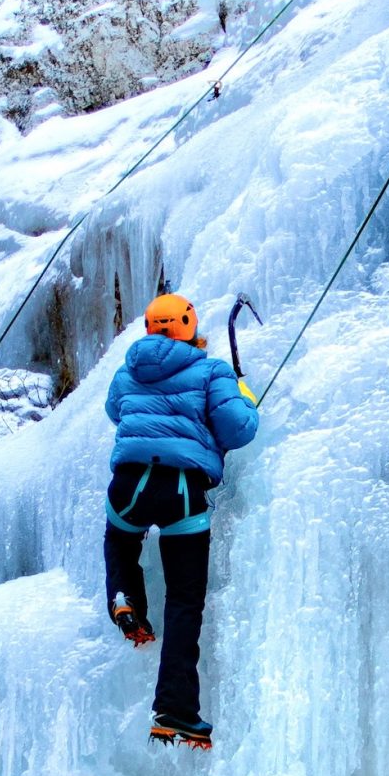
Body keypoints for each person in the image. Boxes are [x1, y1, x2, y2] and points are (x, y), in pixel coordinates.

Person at [104, 292, 258, 750]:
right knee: (184, 602)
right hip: (181, 493)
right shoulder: (212, 370)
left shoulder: (127, 371)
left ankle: (125, 597)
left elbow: (116, 410)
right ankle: (176, 711)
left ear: (149, 330)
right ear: (190, 326)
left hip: (128, 486)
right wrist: (243, 395)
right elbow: (238, 428)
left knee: (121, 539)